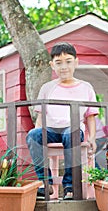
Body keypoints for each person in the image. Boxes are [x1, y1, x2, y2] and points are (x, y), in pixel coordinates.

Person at [26, 42, 98, 200]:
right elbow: (40, 117)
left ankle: (69, 185)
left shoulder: (86, 87)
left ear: (76, 62)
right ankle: (46, 183)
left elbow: (90, 116)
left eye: (68, 61)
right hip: (51, 130)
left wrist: (92, 138)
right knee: (33, 134)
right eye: (58, 63)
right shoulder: (47, 88)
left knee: (70, 133)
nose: (63, 67)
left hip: (72, 130)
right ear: (52, 65)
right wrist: (37, 132)